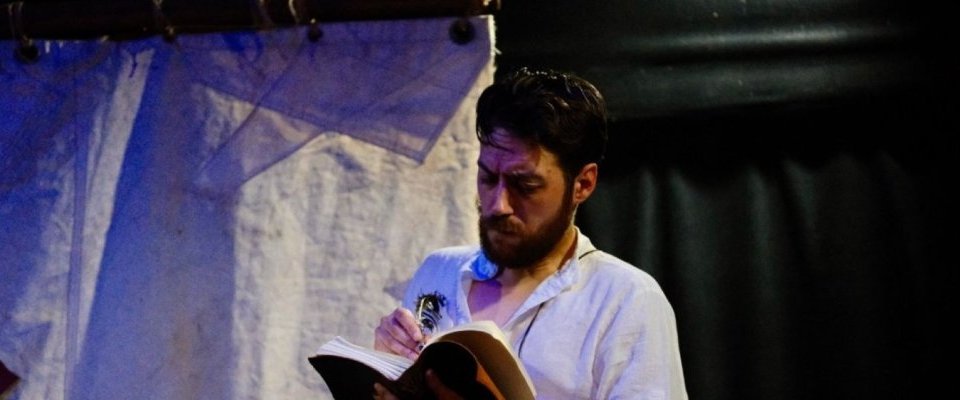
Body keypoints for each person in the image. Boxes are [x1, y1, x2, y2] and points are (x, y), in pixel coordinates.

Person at [374, 68, 687, 399]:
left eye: (525, 185)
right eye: (488, 178)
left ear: (583, 184)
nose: (498, 205)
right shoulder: (439, 271)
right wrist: (386, 369)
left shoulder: (626, 300)